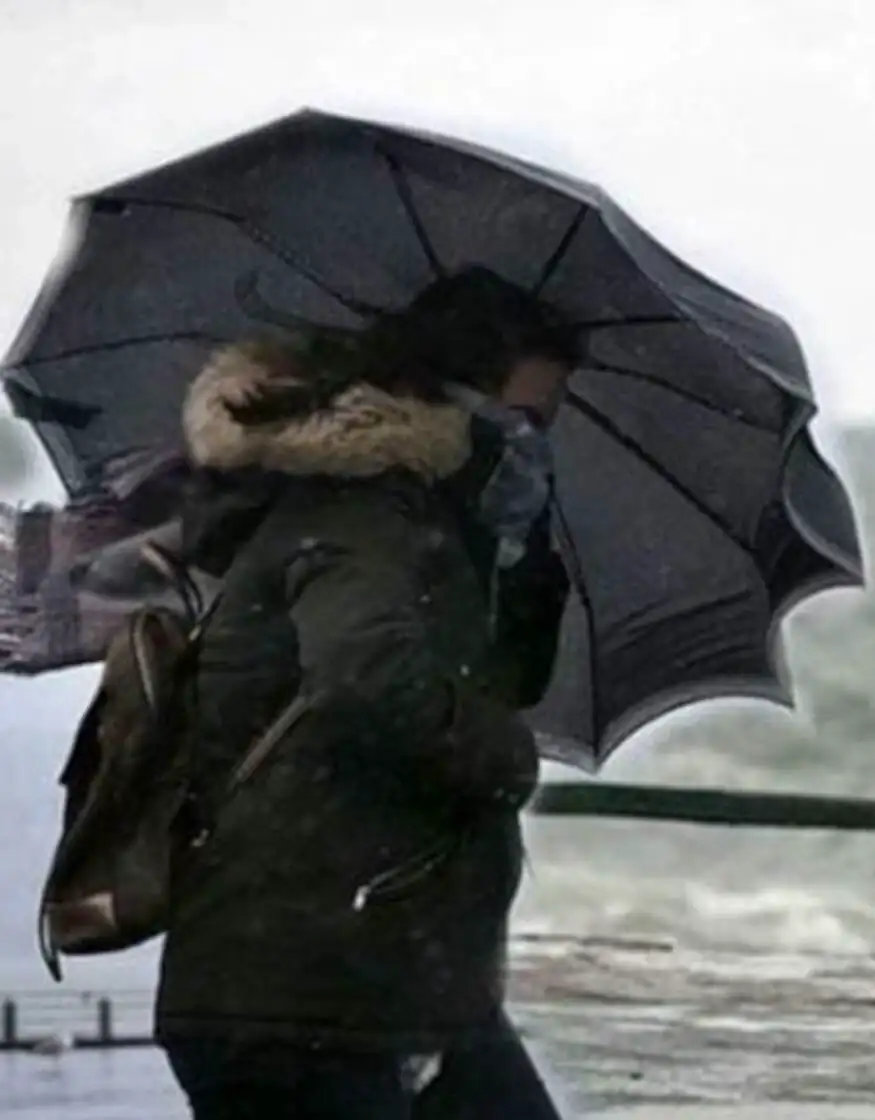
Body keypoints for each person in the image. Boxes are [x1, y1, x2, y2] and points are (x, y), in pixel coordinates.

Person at [156, 268, 576, 1118]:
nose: (530, 443)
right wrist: (506, 759)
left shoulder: (431, 527)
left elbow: (505, 681)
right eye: (520, 420)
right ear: (448, 400)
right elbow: (365, 681)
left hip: (386, 976)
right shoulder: (359, 516)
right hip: (302, 989)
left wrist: (521, 560)